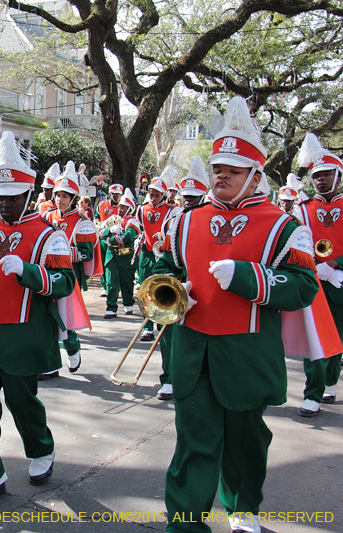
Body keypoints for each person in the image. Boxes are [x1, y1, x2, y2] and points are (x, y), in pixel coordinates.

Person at [154, 96, 318, 533]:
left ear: (256, 176)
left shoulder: (285, 226)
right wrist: (173, 286)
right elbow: (163, 270)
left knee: (245, 443)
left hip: (246, 355)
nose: (221, 176)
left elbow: (304, 288)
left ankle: (243, 507)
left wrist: (248, 277)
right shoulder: (184, 221)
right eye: (217, 169)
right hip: (191, 353)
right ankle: (185, 525)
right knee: (194, 445)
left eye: (232, 170)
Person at [0, 131, 75, 504]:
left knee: (23, 403)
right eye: (0, 196)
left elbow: (65, 281)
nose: (5, 203)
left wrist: (29, 272)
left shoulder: (48, 236)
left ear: (28, 195)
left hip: (24, 335)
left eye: (13, 197)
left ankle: (42, 448)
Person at [153, 157, 210, 402]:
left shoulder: (211, 224)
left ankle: (195, 380)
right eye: (185, 197)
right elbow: (164, 261)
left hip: (205, 295)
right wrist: (168, 281)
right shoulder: (175, 225)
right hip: (179, 290)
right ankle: (169, 379)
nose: (188, 201)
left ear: (204, 198)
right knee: (168, 336)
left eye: (194, 198)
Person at [295, 133, 343, 417]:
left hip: (340, 281)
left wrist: (335, 264)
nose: (320, 180)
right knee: (314, 338)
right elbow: (296, 247)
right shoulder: (302, 210)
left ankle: (330, 381)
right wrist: (316, 268)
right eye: (316, 176)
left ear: (338, 175)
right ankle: (311, 393)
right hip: (313, 281)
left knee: (337, 338)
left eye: (326, 175)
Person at [40, 161, 96, 379]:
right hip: (46, 275)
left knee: (64, 320)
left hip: (68, 277)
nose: (59, 199)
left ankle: (73, 350)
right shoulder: (46, 216)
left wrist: (65, 253)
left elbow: (87, 253)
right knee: (46, 319)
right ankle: (51, 364)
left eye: (64, 196)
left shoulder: (81, 222)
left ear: (73, 198)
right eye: (57, 195)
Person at [135, 167, 175, 338]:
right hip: (147, 253)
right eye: (151, 193)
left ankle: (161, 320)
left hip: (163, 255)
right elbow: (140, 228)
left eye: (157, 194)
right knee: (145, 291)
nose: (153, 197)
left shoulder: (171, 211)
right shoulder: (141, 209)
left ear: (163, 195)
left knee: (160, 288)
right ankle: (147, 326)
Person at [100, 189, 140, 319]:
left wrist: (110, 240)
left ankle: (128, 304)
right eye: (120, 207)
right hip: (112, 257)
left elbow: (129, 236)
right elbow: (100, 232)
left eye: (123, 207)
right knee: (111, 282)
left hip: (126, 257)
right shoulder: (113, 219)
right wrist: (109, 230)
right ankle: (111, 307)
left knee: (127, 283)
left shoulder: (132, 222)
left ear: (130, 209)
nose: (119, 209)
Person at [94, 183, 123, 298]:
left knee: (115, 264)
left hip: (116, 239)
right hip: (103, 236)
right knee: (102, 262)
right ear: (110, 194)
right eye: (114, 194)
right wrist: (98, 224)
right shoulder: (102, 205)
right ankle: (105, 287)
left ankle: (116, 286)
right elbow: (96, 216)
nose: (116, 197)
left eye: (118, 195)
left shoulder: (123, 205)